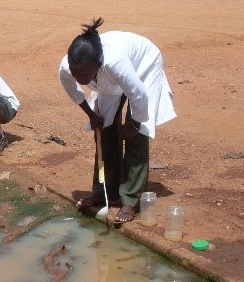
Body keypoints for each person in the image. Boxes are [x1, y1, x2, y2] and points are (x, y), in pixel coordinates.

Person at [59, 18, 176, 223]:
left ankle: (130, 200)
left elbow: (138, 94)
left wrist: (135, 124)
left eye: (84, 73)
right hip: (108, 81)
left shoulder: (114, 63)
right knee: (104, 130)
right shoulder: (69, 66)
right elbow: (73, 89)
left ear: (97, 64)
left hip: (143, 65)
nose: (79, 77)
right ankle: (105, 192)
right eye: (75, 72)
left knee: (137, 136)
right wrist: (91, 115)